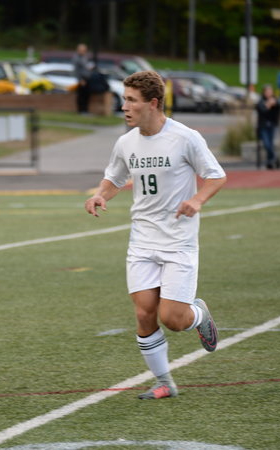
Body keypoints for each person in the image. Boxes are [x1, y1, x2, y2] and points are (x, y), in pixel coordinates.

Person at [84, 71, 227, 400]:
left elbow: (216, 176)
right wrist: (101, 194)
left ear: (152, 103)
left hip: (178, 241)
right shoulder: (126, 143)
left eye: (131, 100)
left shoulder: (185, 137)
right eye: (124, 99)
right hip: (142, 240)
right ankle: (164, 382)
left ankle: (199, 315)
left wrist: (196, 200)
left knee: (173, 319)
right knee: (144, 312)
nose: (124, 106)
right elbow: (114, 178)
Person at [256, 84, 280, 169]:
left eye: (270, 91)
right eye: (267, 91)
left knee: (270, 144)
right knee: (266, 144)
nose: (268, 93)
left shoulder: (275, 100)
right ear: (264, 92)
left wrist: (272, 103)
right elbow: (262, 109)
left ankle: (269, 162)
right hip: (263, 126)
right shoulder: (261, 101)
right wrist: (268, 105)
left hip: (272, 126)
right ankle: (275, 158)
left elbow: (278, 105)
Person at [72, 43, 91, 114]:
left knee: (86, 95)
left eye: (85, 50)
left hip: (87, 78)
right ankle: (81, 110)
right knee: (81, 95)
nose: (84, 51)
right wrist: (80, 79)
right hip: (82, 79)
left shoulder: (84, 57)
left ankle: (85, 110)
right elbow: (76, 70)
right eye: (82, 50)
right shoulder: (77, 58)